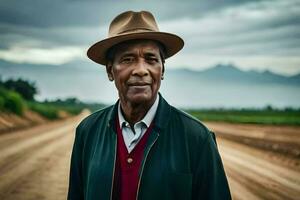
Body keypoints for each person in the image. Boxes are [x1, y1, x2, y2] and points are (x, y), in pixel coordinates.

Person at [68, 10, 231, 200]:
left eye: (151, 59)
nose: (140, 70)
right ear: (110, 70)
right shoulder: (88, 132)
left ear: (162, 69)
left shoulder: (197, 138)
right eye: (128, 59)